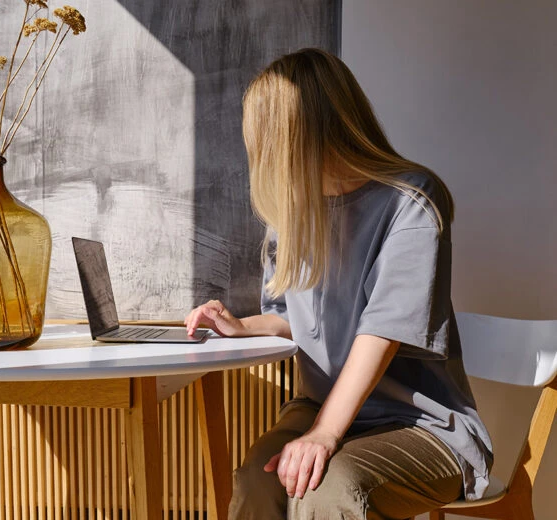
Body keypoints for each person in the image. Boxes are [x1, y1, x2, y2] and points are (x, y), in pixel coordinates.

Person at [184, 48, 493, 520]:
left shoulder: (412, 201)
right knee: (255, 481)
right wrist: (242, 325)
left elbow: (383, 332)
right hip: (323, 410)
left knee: (329, 491)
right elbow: (294, 317)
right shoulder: (295, 214)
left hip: (421, 425)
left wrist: (325, 433)